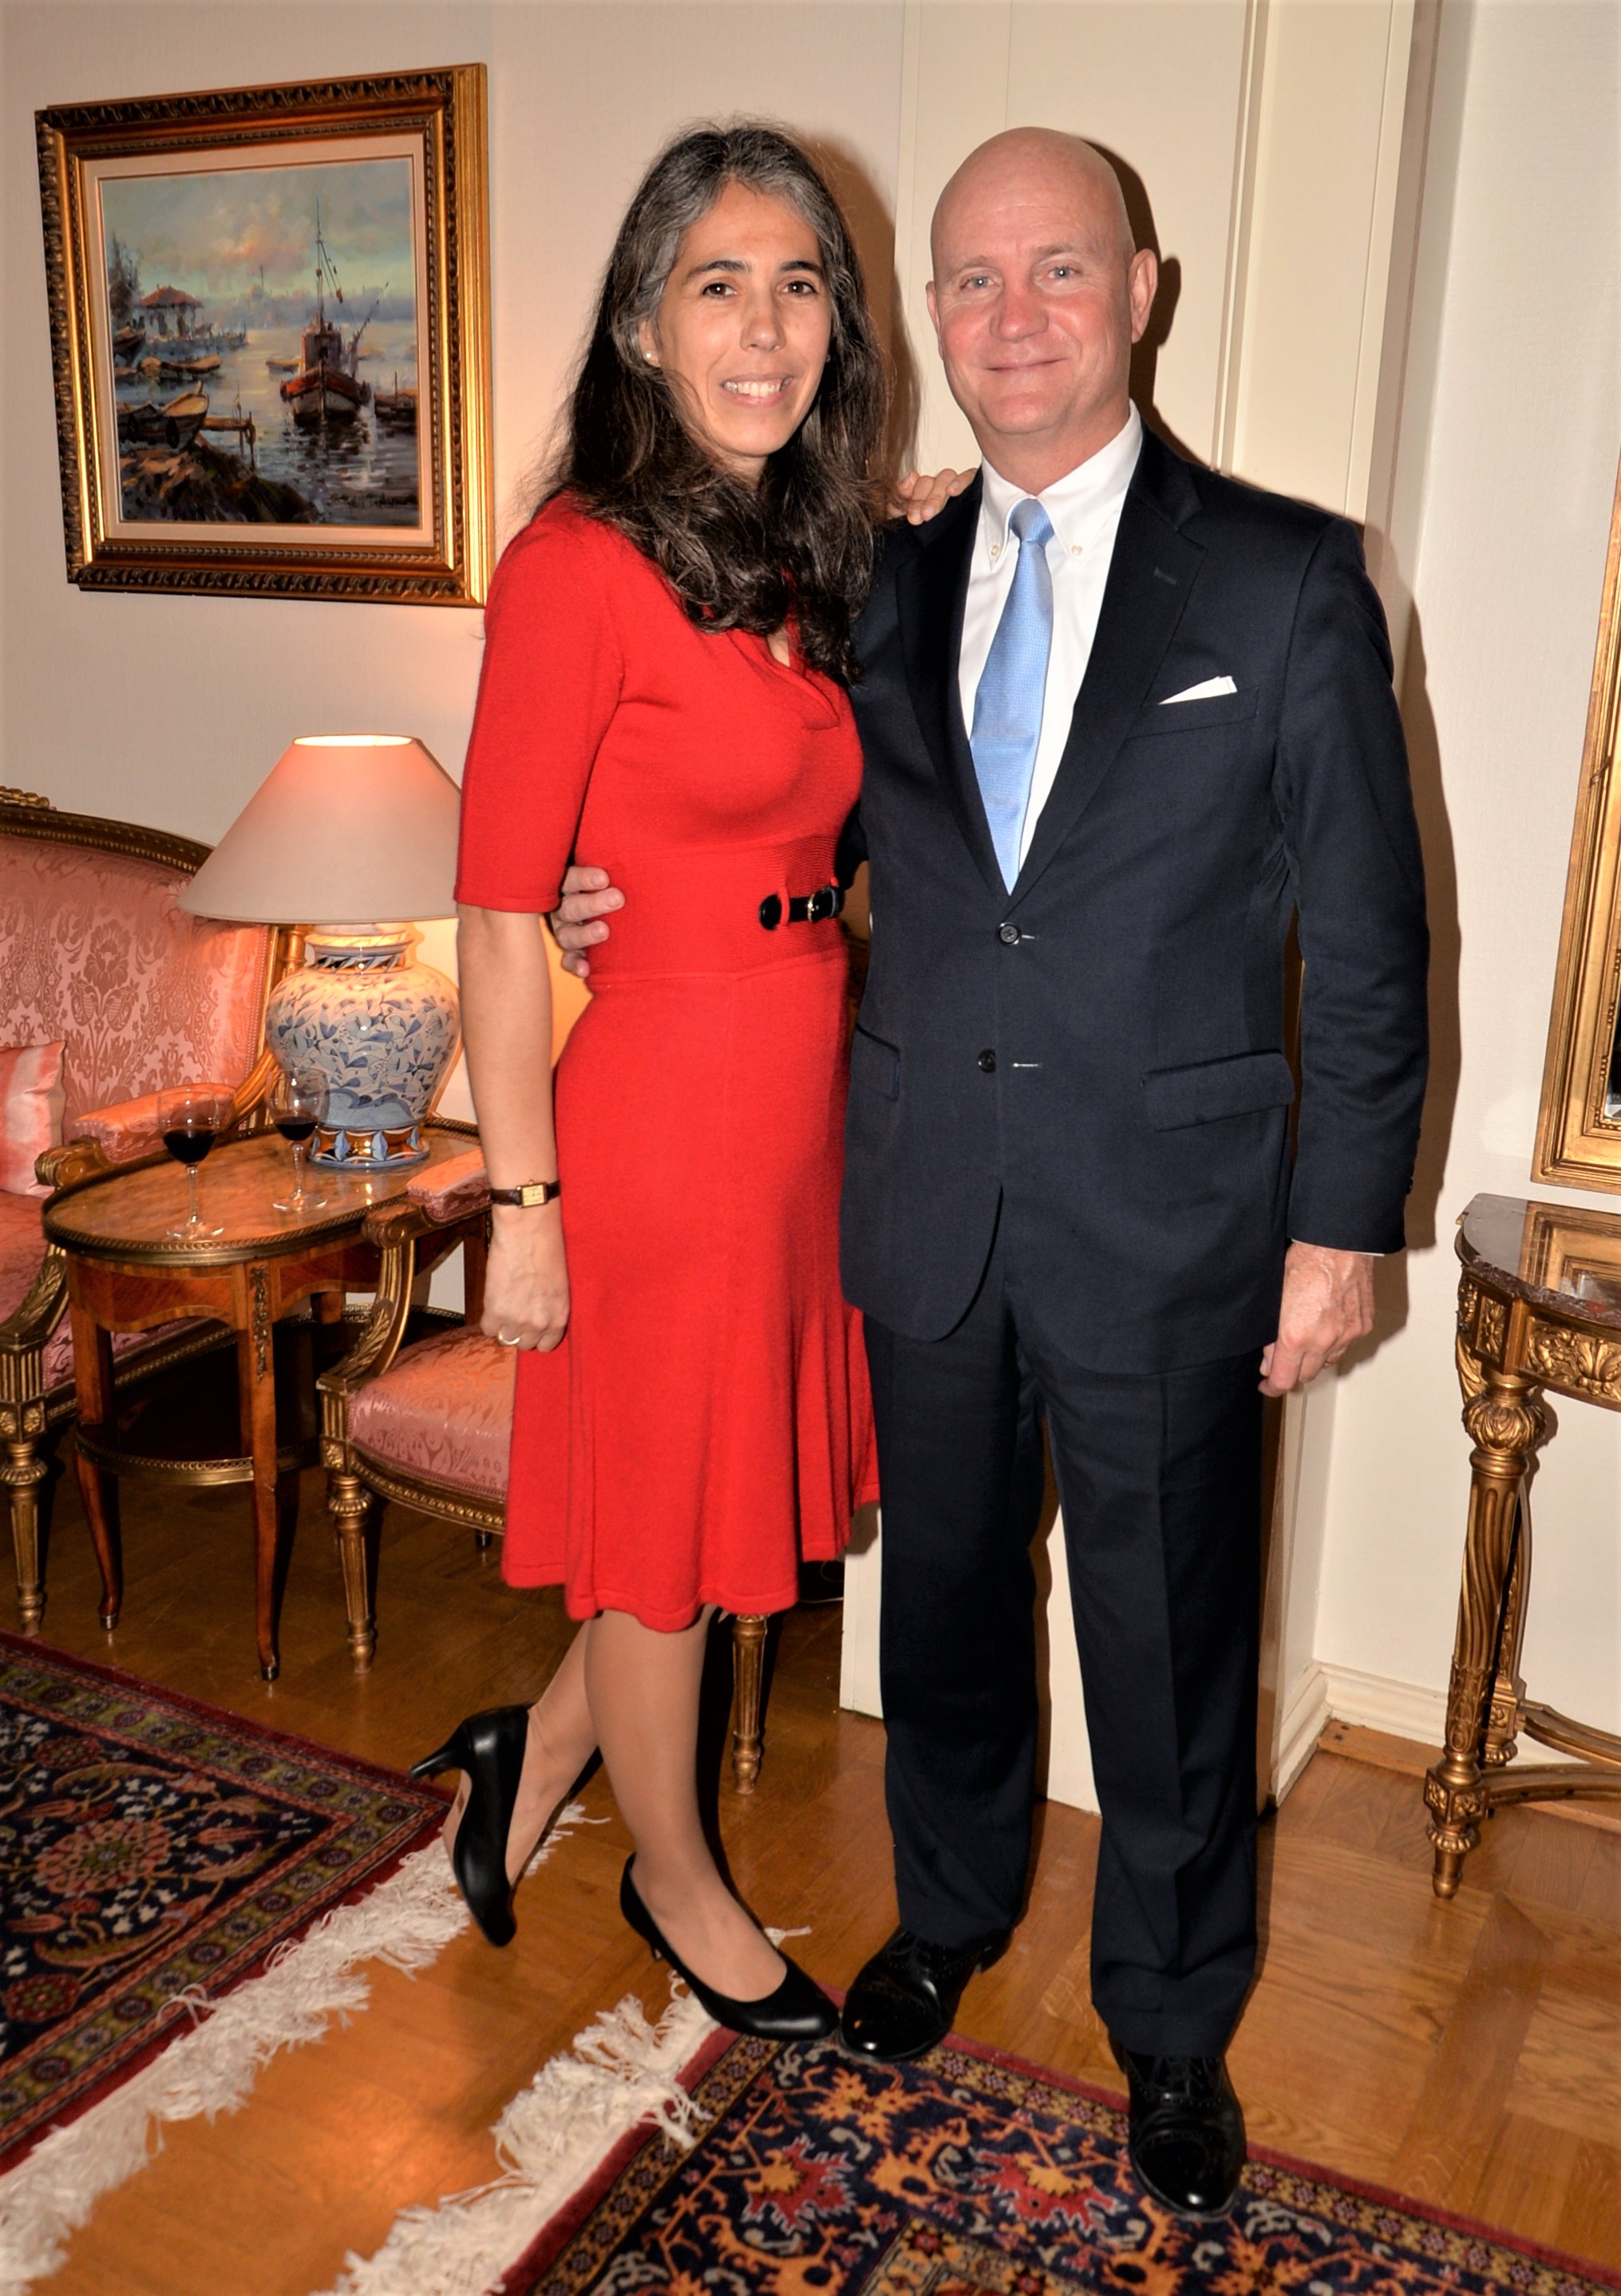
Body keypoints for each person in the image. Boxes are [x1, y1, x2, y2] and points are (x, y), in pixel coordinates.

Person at [554, 127, 1429, 2216]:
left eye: (1056, 270)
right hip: (925, 1188)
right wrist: (615, 890)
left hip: (1176, 1218)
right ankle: (944, 1909)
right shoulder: (878, 576)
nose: (1011, 314)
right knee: (942, 1602)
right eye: (968, 277)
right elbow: (789, 816)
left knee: (1168, 1639)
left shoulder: (1291, 577)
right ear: (928, 317)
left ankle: (1173, 2020)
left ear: (1140, 290)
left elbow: (1376, 940)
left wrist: (1340, 1225)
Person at [413, 122, 903, 2043]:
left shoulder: (802, 554)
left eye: (797, 286)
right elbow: (494, 916)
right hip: (659, 1119)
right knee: (662, 1541)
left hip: (797, 1097)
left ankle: (526, 1757)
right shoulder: (574, 565)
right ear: (640, 323)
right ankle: (673, 1876)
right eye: (718, 285)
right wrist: (521, 1208)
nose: (763, 327)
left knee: (688, 1516)